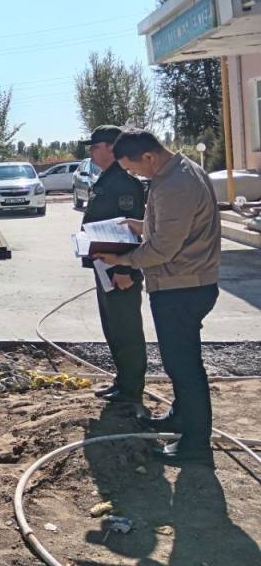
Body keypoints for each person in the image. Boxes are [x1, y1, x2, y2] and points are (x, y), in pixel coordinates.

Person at [97, 128, 221, 465]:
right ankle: (181, 419)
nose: (135, 175)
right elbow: (173, 228)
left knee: (185, 368)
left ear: (149, 156)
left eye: (134, 168)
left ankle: (195, 445)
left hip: (182, 288)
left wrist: (122, 259)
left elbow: (163, 249)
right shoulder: (178, 171)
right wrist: (140, 225)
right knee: (180, 363)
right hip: (184, 284)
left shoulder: (175, 185)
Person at [79, 125, 147, 406]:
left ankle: (132, 389)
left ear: (110, 147)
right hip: (105, 265)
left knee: (126, 329)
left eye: (95, 147)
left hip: (120, 268)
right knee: (113, 327)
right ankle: (123, 381)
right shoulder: (106, 179)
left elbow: (130, 231)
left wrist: (124, 270)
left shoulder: (125, 183)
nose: (92, 153)